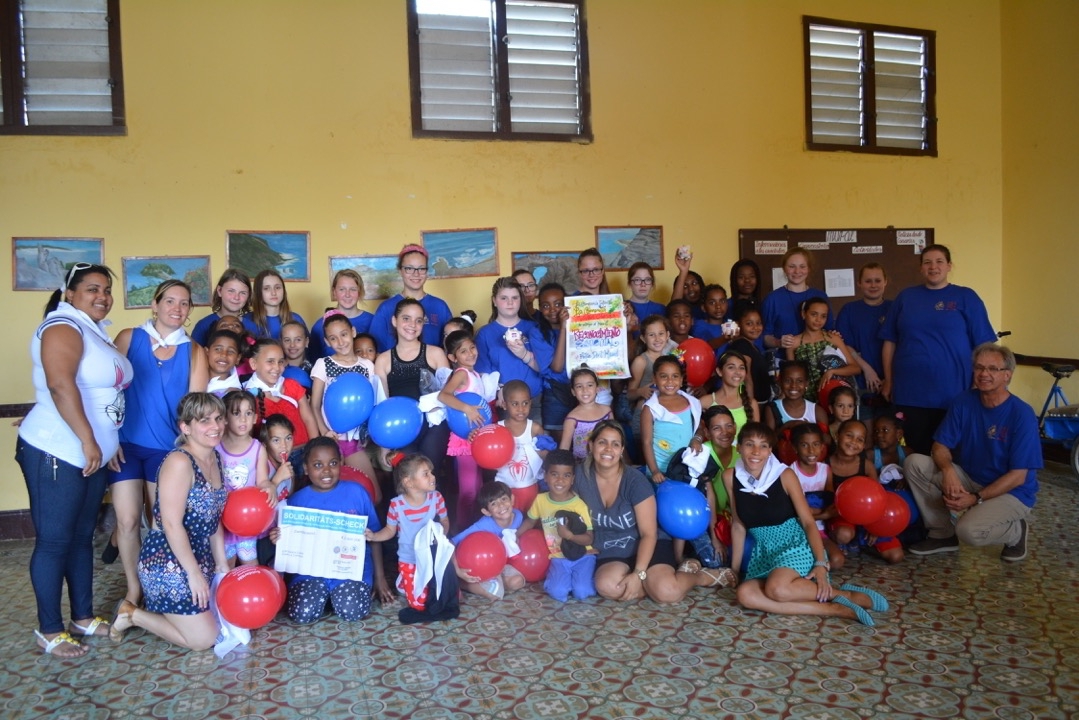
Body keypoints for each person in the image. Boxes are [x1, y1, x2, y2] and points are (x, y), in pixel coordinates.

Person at [17, 263, 133, 656]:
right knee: (54, 541)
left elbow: (102, 396)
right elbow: (59, 384)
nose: (102, 296)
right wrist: (88, 438)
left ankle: (81, 617)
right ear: (70, 292)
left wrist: (107, 439)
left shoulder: (92, 329)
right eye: (91, 289)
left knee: (82, 537)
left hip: (93, 451)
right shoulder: (62, 326)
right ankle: (49, 629)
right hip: (58, 448)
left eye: (106, 290)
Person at [722, 422, 886, 627]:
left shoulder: (784, 475)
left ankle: (846, 595)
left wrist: (820, 564)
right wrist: (735, 571)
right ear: (739, 447)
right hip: (764, 552)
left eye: (763, 445)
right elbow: (738, 525)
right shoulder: (730, 477)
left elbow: (808, 522)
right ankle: (834, 608)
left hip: (795, 545)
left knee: (777, 589)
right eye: (749, 444)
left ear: (770, 450)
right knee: (746, 594)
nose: (756, 452)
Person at [109, 280, 209, 610]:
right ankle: (133, 590)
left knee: (162, 523)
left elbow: (196, 409)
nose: (176, 308)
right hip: (125, 445)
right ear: (155, 304)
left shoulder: (194, 351)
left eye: (184, 303)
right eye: (169, 301)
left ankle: (159, 588)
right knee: (126, 521)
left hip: (166, 453)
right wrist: (108, 439)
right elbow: (104, 389)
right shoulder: (128, 338)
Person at [109, 393, 230, 650]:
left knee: (221, 624)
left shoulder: (214, 457)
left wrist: (221, 564)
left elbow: (213, 517)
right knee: (204, 639)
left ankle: (177, 612)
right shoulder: (179, 461)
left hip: (199, 556)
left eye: (219, 418)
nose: (216, 426)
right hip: (168, 561)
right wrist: (193, 573)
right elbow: (171, 524)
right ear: (185, 428)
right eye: (205, 421)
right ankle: (133, 613)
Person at [905, 343, 1041, 562]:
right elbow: (940, 446)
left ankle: (1015, 531)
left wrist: (975, 499)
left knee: (969, 531)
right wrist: (948, 470)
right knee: (915, 463)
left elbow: (1019, 475)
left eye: (992, 369)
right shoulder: (963, 401)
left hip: (1013, 491)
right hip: (971, 477)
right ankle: (942, 534)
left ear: (1007, 375)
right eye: (979, 368)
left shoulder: (1022, 414)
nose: (984, 374)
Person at [575, 421, 732, 603]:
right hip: (610, 547)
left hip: (649, 542)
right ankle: (654, 583)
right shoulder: (579, 476)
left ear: (621, 450)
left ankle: (701, 577)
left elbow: (648, 533)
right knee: (607, 586)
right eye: (602, 442)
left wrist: (638, 573)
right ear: (591, 445)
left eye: (615, 444)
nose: (608, 449)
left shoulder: (635, 481)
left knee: (667, 593)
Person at [880, 244, 996, 454]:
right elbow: (889, 341)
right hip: (910, 393)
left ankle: (953, 488)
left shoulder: (966, 297)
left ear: (949, 266)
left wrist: (982, 382)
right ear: (921, 268)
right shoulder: (906, 297)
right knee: (917, 452)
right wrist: (889, 380)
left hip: (954, 392)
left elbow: (985, 347)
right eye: (927, 262)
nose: (933, 267)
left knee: (953, 453)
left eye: (939, 261)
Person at [274, 438, 392, 623]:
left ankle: (334, 596)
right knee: (302, 613)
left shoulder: (357, 492)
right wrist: (279, 537)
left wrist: (380, 577)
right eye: (318, 465)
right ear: (306, 468)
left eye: (333, 463)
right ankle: (325, 595)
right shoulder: (296, 501)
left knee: (352, 610)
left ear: (342, 463)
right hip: (311, 573)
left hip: (351, 571)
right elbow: (290, 543)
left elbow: (374, 536)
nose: (326, 471)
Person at [366, 454, 450, 611]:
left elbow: (445, 521)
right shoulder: (397, 505)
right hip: (408, 559)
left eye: (431, 472)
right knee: (419, 604)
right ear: (408, 482)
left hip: (431, 556)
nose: (433, 477)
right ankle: (404, 579)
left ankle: (408, 581)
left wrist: (441, 536)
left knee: (443, 595)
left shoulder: (437, 497)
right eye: (426, 474)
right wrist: (374, 536)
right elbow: (390, 531)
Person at [372, 297, 451, 464]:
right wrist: (384, 446)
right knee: (409, 476)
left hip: (433, 425)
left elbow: (449, 394)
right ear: (394, 321)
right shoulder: (383, 360)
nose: (412, 325)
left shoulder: (436, 353)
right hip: (401, 427)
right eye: (406, 318)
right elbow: (381, 405)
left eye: (418, 320)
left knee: (428, 472)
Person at [309, 312, 380, 481]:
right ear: (327, 341)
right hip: (331, 440)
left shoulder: (367, 366)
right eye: (333, 338)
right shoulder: (323, 364)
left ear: (353, 332)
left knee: (374, 494)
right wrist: (325, 432)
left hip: (356, 442)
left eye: (344, 334)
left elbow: (370, 402)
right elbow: (315, 405)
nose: (340, 342)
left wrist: (366, 434)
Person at [519, 449, 597, 602]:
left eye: (566, 475)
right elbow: (529, 522)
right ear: (545, 476)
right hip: (558, 558)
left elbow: (589, 538)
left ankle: (588, 580)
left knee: (581, 592)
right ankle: (560, 580)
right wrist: (514, 536)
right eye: (555, 474)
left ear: (573, 479)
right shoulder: (540, 500)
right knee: (559, 593)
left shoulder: (578, 505)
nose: (560, 480)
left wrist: (570, 536)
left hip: (583, 556)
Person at [474, 277, 553, 422]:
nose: (510, 302)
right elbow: (482, 373)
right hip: (504, 403)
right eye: (504, 298)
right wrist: (499, 390)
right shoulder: (484, 334)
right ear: (494, 301)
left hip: (535, 401)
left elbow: (546, 368)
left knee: (540, 443)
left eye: (515, 298)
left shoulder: (535, 328)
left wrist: (524, 354)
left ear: (520, 300)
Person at [217, 390, 274, 567]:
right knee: (224, 567)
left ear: (255, 417)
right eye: (236, 413)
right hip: (222, 521)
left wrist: (270, 486)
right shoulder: (216, 448)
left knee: (250, 564)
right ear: (225, 418)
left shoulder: (258, 448)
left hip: (246, 522)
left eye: (248, 413)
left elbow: (262, 481)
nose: (243, 419)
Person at [438, 329, 488, 528]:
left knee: (478, 488)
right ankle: (461, 531)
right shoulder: (461, 373)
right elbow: (444, 396)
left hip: (478, 436)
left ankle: (475, 527)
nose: (471, 354)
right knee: (468, 490)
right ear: (453, 357)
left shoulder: (474, 373)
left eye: (472, 348)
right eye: (463, 351)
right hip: (464, 438)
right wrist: (467, 409)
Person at [835, 262, 892, 428]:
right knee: (863, 433)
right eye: (868, 281)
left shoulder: (895, 308)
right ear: (859, 283)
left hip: (891, 383)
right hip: (860, 383)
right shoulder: (849, 310)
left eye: (877, 280)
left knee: (888, 434)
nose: (873, 285)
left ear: (885, 282)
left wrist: (889, 379)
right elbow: (844, 346)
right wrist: (867, 370)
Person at [451, 482, 528, 601]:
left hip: (502, 563)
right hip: (479, 565)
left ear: (512, 499)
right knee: (494, 594)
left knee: (517, 582)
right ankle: (461, 583)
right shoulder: (483, 525)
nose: (501, 505)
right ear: (487, 512)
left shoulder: (518, 516)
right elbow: (450, 543)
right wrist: (458, 570)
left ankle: (496, 581)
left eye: (503, 499)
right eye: (494, 504)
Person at [370, 244, 453, 351]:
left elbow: (452, 346)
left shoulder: (440, 306)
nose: (416, 274)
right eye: (409, 268)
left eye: (421, 268)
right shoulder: (386, 308)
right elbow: (375, 349)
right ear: (400, 271)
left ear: (427, 272)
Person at [788, 423, 845, 570]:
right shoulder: (789, 473)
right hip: (797, 532)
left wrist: (817, 512)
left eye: (816, 444)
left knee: (838, 560)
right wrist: (822, 514)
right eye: (804, 445)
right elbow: (794, 514)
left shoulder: (825, 470)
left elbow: (831, 503)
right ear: (795, 448)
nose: (811, 450)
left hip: (819, 531)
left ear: (822, 447)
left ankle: (814, 571)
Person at [244, 338, 319, 446]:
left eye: (280, 362)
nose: (277, 367)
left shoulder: (292, 385)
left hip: (305, 451)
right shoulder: (248, 397)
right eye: (270, 361)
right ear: (253, 363)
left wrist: (314, 447)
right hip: (272, 460)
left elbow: (308, 419)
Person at [640, 356, 702, 486]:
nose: (670, 381)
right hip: (661, 472)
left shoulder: (692, 403)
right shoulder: (650, 409)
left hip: (686, 467)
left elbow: (699, 427)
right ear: (654, 379)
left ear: (681, 380)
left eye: (675, 376)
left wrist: (696, 439)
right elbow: (647, 442)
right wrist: (655, 470)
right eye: (664, 376)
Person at [787, 297, 860, 403]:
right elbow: (791, 374)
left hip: (834, 398)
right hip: (806, 399)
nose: (818, 320)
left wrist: (833, 371)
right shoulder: (793, 343)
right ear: (803, 314)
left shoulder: (833, 338)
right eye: (814, 314)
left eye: (823, 316)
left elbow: (855, 368)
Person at [494, 380, 552, 513]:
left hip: (530, 486)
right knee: (507, 523)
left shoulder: (535, 428)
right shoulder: (498, 428)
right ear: (504, 404)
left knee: (530, 522)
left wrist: (547, 450)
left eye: (525, 403)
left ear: (531, 403)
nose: (521, 409)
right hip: (504, 488)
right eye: (515, 404)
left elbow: (544, 458)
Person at [762, 247, 832, 350]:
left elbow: (829, 329)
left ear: (809, 268)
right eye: (792, 266)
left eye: (802, 266)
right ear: (784, 269)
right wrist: (778, 342)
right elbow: (764, 337)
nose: (797, 271)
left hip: (817, 360)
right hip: (783, 361)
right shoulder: (772, 299)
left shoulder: (820, 296)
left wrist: (834, 334)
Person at [308, 269, 374, 362]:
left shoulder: (373, 321)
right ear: (334, 292)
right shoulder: (320, 326)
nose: (347, 294)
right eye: (342, 289)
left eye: (353, 289)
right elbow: (313, 362)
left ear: (359, 292)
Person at [537, 283, 573, 444]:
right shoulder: (537, 333)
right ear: (539, 308)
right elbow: (557, 367)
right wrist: (564, 328)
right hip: (555, 395)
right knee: (562, 448)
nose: (552, 310)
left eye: (558, 304)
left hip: (582, 390)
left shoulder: (579, 327)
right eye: (545, 306)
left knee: (583, 444)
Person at [560, 366, 613, 461]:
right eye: (579, 386)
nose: (585, 390)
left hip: (606, 461)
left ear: (597, 388)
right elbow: (564, 449)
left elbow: (615, 437)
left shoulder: (607, 411)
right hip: (582, 465)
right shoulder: (572, 419)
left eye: (590, 385)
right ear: (573, 391)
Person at [191, 269, 252, 346]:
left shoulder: (252, 327)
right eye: (231, 291)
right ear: (219, 291)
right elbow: (194, 355)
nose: (236, 297)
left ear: (248, 295)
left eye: (243, 293)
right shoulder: (203, 325)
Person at [243, 269, 306, 340]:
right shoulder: (246, 320)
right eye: (266, 288)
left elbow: (306, 348)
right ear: (258, 292)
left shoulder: (296, 319)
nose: (273, 293)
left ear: (284, 291)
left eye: (277, 287)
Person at [707, 350, 758, 435]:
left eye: (741, 368)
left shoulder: (752, 403)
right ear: (719, 371)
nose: (737, 372)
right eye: (731, 367)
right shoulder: (706, 402)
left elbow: (756, 436)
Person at [727, 306, 772, 404]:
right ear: (738, 324)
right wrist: (750, 407)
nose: (755, 327)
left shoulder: (751, 345)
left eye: (758, 323)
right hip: (754, 403)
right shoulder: (742, 346)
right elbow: (746, 378)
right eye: (749, 324)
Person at [205, 328, 243, 397]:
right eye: (218, 349)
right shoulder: (191, 378)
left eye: (231, 351)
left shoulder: (236, 394)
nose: (224, 355)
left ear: (238, 358)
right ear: (207, 352)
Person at [670, 249, 706, 320]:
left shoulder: (709, 306)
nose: (691, 289)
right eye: (685, 286)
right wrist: (683, 271)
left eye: (694, 283)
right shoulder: (680, 310)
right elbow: (674, 305)